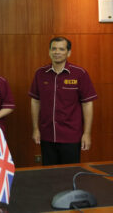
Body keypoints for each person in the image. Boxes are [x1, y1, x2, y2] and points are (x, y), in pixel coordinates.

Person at [29, 37, 97, 165]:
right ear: (49, 52)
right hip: (47, 135)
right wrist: (35, 128)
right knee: (50, 175)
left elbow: (87, 103)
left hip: (71, 136)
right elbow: (35, 101)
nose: (57, 52)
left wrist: (87, 133)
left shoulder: (80, 74)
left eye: (61, 49)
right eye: (53, 49)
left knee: (69, 173)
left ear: (68, 52)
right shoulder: (40, 73)